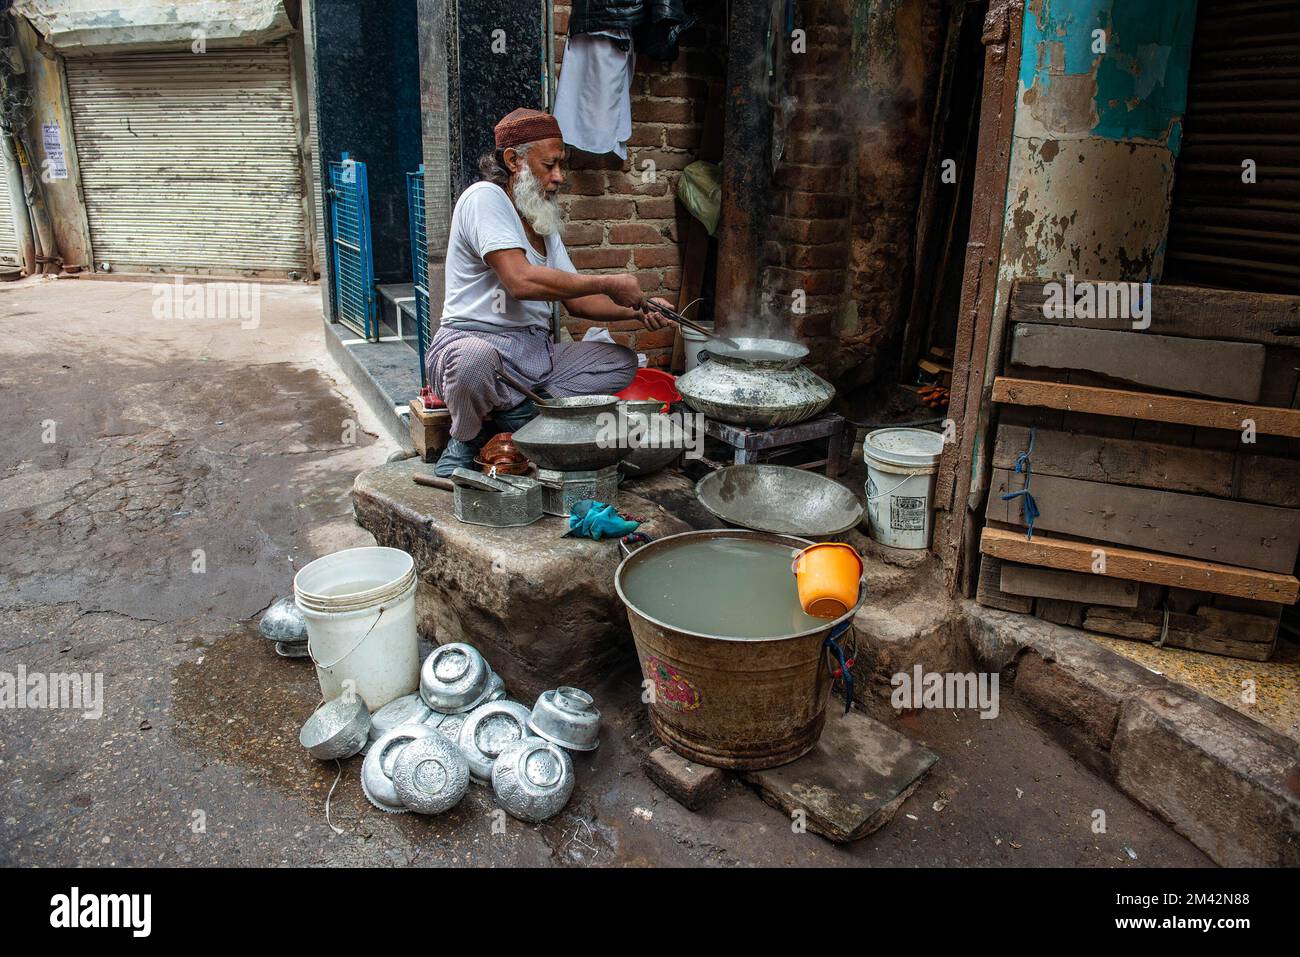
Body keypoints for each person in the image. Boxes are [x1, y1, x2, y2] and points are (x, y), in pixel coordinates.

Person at [426, 107, 675, 475]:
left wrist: (640, 309)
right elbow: (520, 281)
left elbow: (576, 301)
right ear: (514, 160)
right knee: (474, 362)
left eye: (561, 166)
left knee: (618, 363)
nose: (559, 177)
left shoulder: (542, 222)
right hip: (471, 344)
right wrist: (608, 282)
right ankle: (466, 438)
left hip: (532, 357)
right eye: (550, 165)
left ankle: (516, 415)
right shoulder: (484, 198)